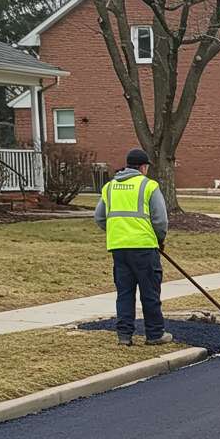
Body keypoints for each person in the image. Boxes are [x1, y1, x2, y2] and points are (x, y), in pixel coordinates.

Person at [95, 148, 171, 347]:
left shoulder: (110, 187)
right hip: (144, 247)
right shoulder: (148, 186)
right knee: (150, 292)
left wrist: (117, 231)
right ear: (143, 167)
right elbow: (160, 220)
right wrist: (159, 239)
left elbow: (100, 217)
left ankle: (124, 336)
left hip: (119, 248)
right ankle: (155, 334)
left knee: (125, 293)